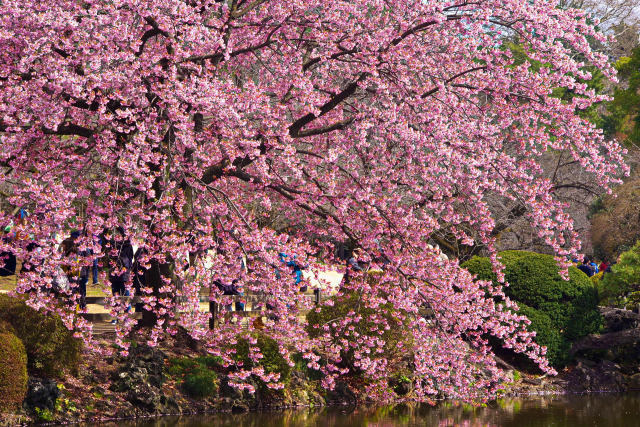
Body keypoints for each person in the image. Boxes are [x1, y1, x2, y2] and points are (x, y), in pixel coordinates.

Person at [107, 228, 134, 323]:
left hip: (124, 276)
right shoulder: (112, 245)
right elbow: (109, 259)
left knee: (126, 297)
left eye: (118, 235)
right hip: (114, 275)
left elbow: (129, 260)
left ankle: (127, 317)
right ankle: (116, 317)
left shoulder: (127, 246)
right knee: (115, 296)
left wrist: (119, 255)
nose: (116, 237)